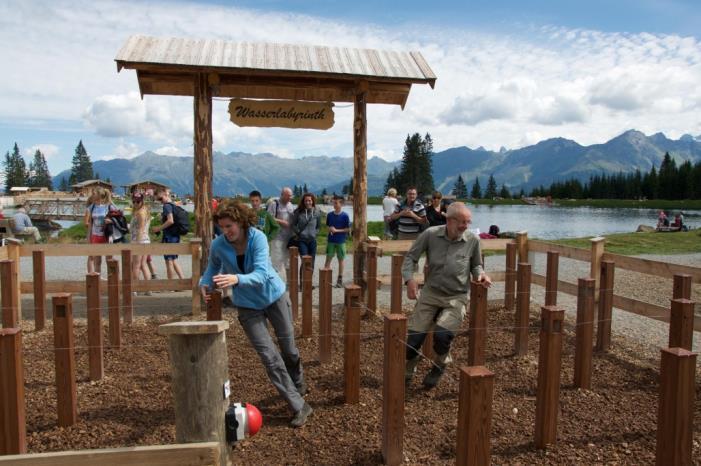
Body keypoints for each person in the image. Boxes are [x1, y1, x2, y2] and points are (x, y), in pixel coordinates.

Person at [199, 199, 312, 427]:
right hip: (247, 306)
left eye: (229, 226)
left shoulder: (257, 238)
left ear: (241, 222)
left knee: (288, 349)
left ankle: (298, 381)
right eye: (222, 227)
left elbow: (261, 273)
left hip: (273, 296)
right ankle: (299, 405)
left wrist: (236, 279)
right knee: (269, 357)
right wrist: (204, 282)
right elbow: (213, 267)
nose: (226, 231)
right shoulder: (219, 245)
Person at [403, 202, 492, 389]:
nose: (465, 226)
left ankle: (441, 363)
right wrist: (409, 280)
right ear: (449, 220)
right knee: (412, 341)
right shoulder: (430, 234)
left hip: (456, 296)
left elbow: (477, 265)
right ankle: (409, 369)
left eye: (468, 222)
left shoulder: (473, 240)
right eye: (462, 222)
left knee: (442, 336)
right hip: (430, 293)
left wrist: (481, 275)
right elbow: (411, 258)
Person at [151, 188, 185, 280]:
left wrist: (158, 228)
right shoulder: (173, 205)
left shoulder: (166, 206)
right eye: (158, 200)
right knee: (173, 260)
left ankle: (171, 285)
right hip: (175, 235)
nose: (160, 201)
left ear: (166, 195)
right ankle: (182, 281)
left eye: (161, 199)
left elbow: (170, 221)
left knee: (169, 261)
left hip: (169, 237)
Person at [291, 193, 322, 285]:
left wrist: (314, 234)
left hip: (312, 241)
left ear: (312, 201)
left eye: (309, 200)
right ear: (303, 202)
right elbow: (293, 225)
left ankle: (308, 283)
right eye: (306, 201)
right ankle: (302, 283)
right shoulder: (298, 212)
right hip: (302, 241)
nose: (308, 202)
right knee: (305, 261)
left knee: (312, 263)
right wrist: (299, 233)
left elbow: (319, 227)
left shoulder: (317, 212)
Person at [84, 187, 117, 274]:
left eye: (94, 193)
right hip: (95, 236)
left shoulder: (109, 206)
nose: (92, 195)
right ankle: (98, 282)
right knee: (97, 262)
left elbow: (119, 218)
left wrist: (111, 221)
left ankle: (111, 282)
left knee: (109, 260)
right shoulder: (92, 207)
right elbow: (90, 223)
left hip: (107, 235)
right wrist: (89, 238)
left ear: (99, 195)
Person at [267, 187, 296, 282]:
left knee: (289, 262)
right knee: (277, 262)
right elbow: (269, 218)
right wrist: (282, 222)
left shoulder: (291, 205)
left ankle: (289, 283)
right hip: (277, 238)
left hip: (289, 238)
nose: (290, 198)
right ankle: (276, 284)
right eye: (288, 196)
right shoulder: (274, 204)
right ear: (282, 195)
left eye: (291, 196)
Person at [323, 195, 351, 288]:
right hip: (331, 240)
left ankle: (340, 279)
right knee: (328, 259)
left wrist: (337, 231)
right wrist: (330, 229)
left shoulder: (345, 216)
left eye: (336, 203)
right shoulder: (330, 215)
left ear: (341, 204)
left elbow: (347, 230)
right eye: (333, 202)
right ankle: (325, 279)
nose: (334, 204)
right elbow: (327, 226)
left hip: (341, 241)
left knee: (341, 260)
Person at [130, 192, 151, 294]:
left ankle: (135, 288)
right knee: (143, 264)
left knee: (136, 265)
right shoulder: (144, 210)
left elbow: (140, 230)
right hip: (145, 240)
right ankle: (148, 288)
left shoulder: (140, 213)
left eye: (138, 201)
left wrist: (137, 244)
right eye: (134, 201)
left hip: (139, 240)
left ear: (142, 201)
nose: (135, 203)